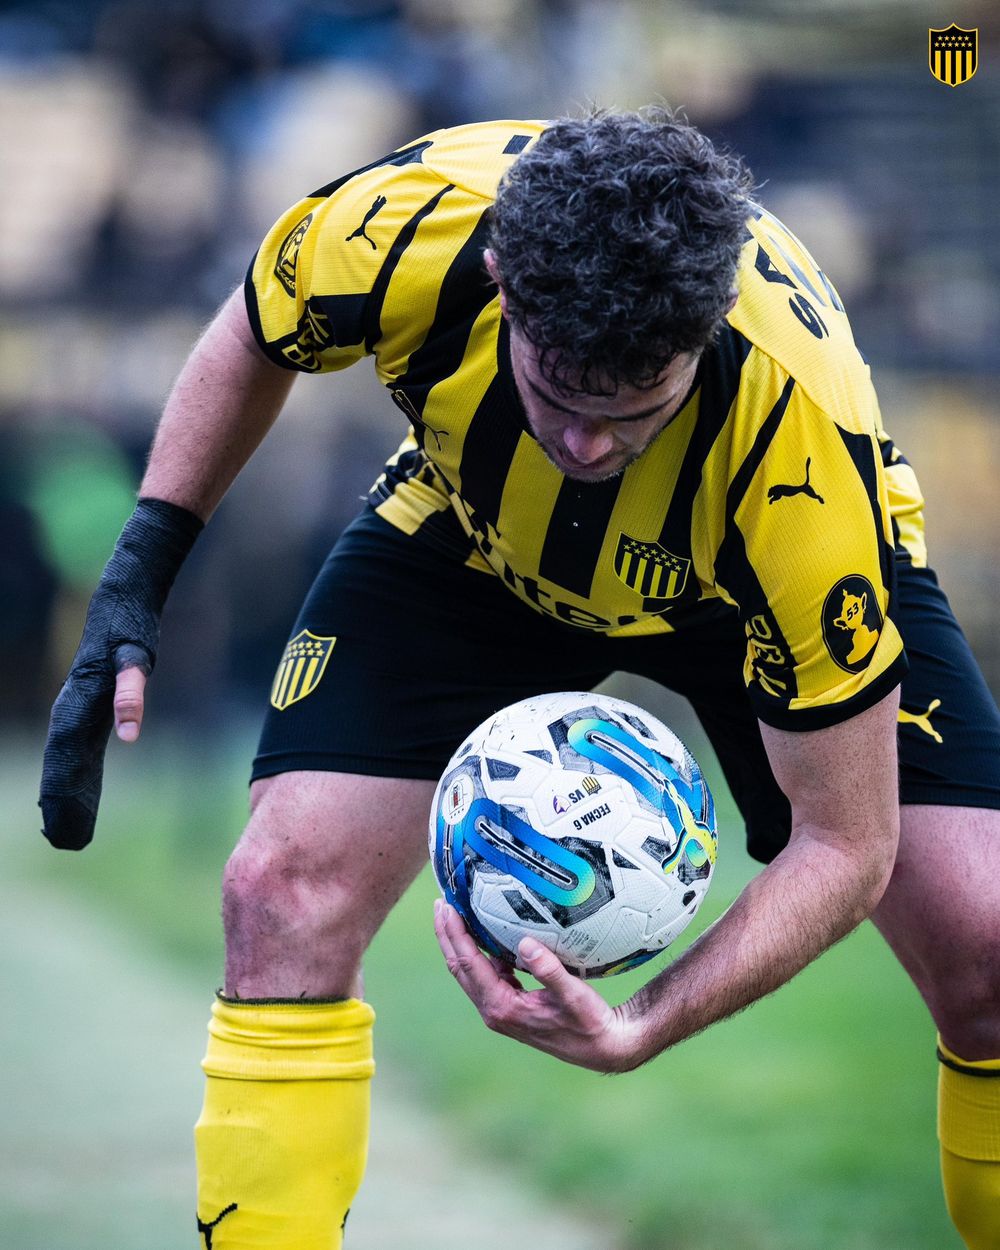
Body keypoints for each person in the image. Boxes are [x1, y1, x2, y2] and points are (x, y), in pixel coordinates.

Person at [39, 107, 1000, 1250]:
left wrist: (647, 1019)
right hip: (471, 532)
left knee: (986, 946)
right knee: (279, 885)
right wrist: (132, 581)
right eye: (558, 395)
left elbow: (847, 845)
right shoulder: (400, 229)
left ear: (700, 336)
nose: (588, 446)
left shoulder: (801, 462)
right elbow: (253, 330)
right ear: (499, 281)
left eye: (630, 407)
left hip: (741, 572)